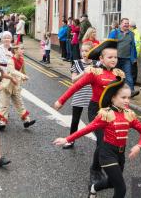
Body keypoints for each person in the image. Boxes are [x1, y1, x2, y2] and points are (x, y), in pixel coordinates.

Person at [53, 78, 141, 198]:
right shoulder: (105, 114)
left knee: (112, 183)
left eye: (128, 98)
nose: (127, 101)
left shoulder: (129, 114)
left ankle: (94, 188)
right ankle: (94, 188)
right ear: (113, 98)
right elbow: (87, 129)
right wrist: (67, 139)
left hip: (120, 154)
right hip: (107, 154)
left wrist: (139, 145)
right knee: (121, 189)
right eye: (123, 97)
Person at [53, 40, 125, 185]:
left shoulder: (119, 74)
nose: (113, 60)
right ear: (101, 59)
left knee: (111, 142)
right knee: (102, 141)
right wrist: (61, 100)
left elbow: (122, 94)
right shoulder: (94, 72)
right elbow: (76, 86)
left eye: (115, 57)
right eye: (110, 57)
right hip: (96, 110)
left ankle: (109, 170)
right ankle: (95, 170)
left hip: (112, 111)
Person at [62, 42, 98, 149]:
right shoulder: (76, 63)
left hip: (93, 95)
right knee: (75, 119)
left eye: (86, 51)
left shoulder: (97, 64)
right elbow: (73, 80)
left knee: (96, 121)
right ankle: (71, 140)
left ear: (91, 51)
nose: (84, 53)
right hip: (80, 94)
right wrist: (84, 73)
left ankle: (101, 142)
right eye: (82, 51)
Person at [0, 44, 35, 130]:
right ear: (16, 50)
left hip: (16, 85)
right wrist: (22, 75)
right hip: (7, 84)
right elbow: (12, 71)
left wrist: (24, 76)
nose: (23, 50)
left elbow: (23, 70)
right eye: (21, 49)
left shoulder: (22, 60)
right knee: (4, 104)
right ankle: (2, 121)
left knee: (19, 102)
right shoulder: (11, 61)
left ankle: (26, 121)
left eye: (23, 49)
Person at [108, 18, 139, 98]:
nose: (126, 25)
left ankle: (131, 91)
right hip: (115, 58)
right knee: (115, 75)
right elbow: (109, 43)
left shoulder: (131, 34)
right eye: (125, 23)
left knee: (128, 75)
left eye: (127, 23)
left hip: (127, 59)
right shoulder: (115, 32)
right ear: (121, 24)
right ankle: (112, 91)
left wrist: (134, 57)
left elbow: (133, 46)